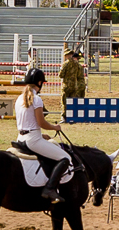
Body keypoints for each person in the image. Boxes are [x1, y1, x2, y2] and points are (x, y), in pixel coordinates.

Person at [13, 66, 74, 202]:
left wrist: (41, 136)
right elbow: (41, 123)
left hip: (21, 138)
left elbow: (27, 122)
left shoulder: (19, 99)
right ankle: (50, 188)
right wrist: (54, 127)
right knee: (65, 158)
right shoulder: (36, 99)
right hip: (32, 140)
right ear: (40, 83)